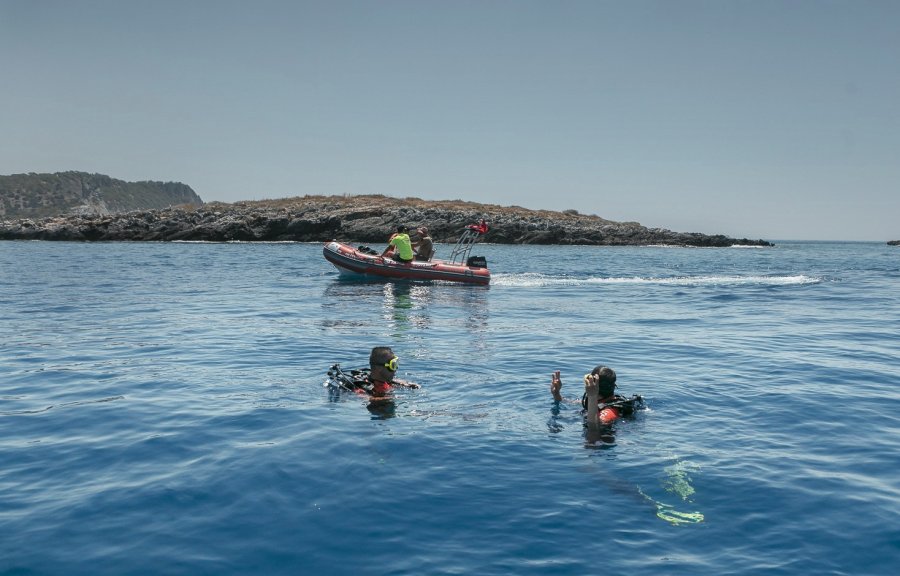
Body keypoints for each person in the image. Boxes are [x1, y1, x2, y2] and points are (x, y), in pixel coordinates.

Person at [551, 365, 640, 426]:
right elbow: (568, 402)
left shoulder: (609, 412)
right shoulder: (598, 402)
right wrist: (556, 393)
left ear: (594, 385)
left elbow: (593, 426)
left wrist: (592, 396)